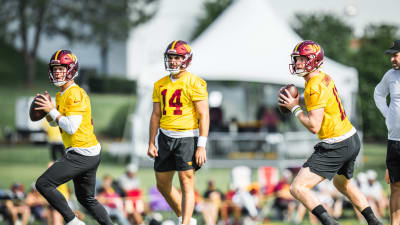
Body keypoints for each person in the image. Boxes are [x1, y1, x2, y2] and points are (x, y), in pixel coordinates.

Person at [278, 40, 382, 225]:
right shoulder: (323, 77)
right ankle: (374, 222)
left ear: (313, 60)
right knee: (342, 184)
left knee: (298, 188)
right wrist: (298, 100)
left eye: (302, 59)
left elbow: (313, 126)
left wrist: (294, 108)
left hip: (336, 144)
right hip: (351, 138)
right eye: (297, 59)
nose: (298, 63)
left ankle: (331, 223)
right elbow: (318, 102)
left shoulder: (313, 86)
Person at [34, 49, 114, 225]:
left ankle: (73, 221)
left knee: (43, 183)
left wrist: (52, 111)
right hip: (87, 151)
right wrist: (48, 112)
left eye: (61, 68)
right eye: (55, 68)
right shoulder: (61, 93)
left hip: (82, 152)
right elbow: (56, 123)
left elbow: (70, 126)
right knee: (86, 199)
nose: (57, 72)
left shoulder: (75, 93)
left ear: (71, 69)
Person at [147, 40, 209, 225]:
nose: (173, 61)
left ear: (186, 59)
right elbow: (156, 114)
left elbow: (204, 115)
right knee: (162, 184)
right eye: (171, 57)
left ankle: (185, 222)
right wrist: (151, 142)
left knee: (186, 181)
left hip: (187, 137)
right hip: (165, 137)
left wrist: (201, 146)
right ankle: (186, 218)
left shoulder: (195, 83)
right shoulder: (159, 84)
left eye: (177, 57)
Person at [374, 39, 400, 225]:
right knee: (395, 187)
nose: (392, 59)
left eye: (396, 54)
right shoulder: (390, 75)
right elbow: (378, 93)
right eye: (391, 55)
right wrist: (386, 115)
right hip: (394, 140)